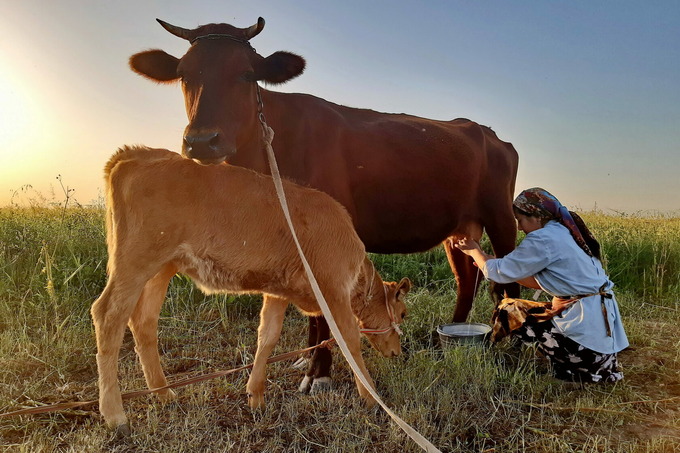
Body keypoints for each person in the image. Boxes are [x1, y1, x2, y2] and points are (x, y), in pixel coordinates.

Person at [455, 187, 628, 383]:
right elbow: (529, 278)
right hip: (600, 347)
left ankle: (495, 353)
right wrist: (488, 260)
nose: (519, 228)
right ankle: (575, 362)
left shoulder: (542, 238)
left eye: (520, 220)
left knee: (509, 309)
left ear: (536, 217)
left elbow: (501, 272)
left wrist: (473, 251)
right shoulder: (564, 232)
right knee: (525, 308)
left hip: (582, 347)